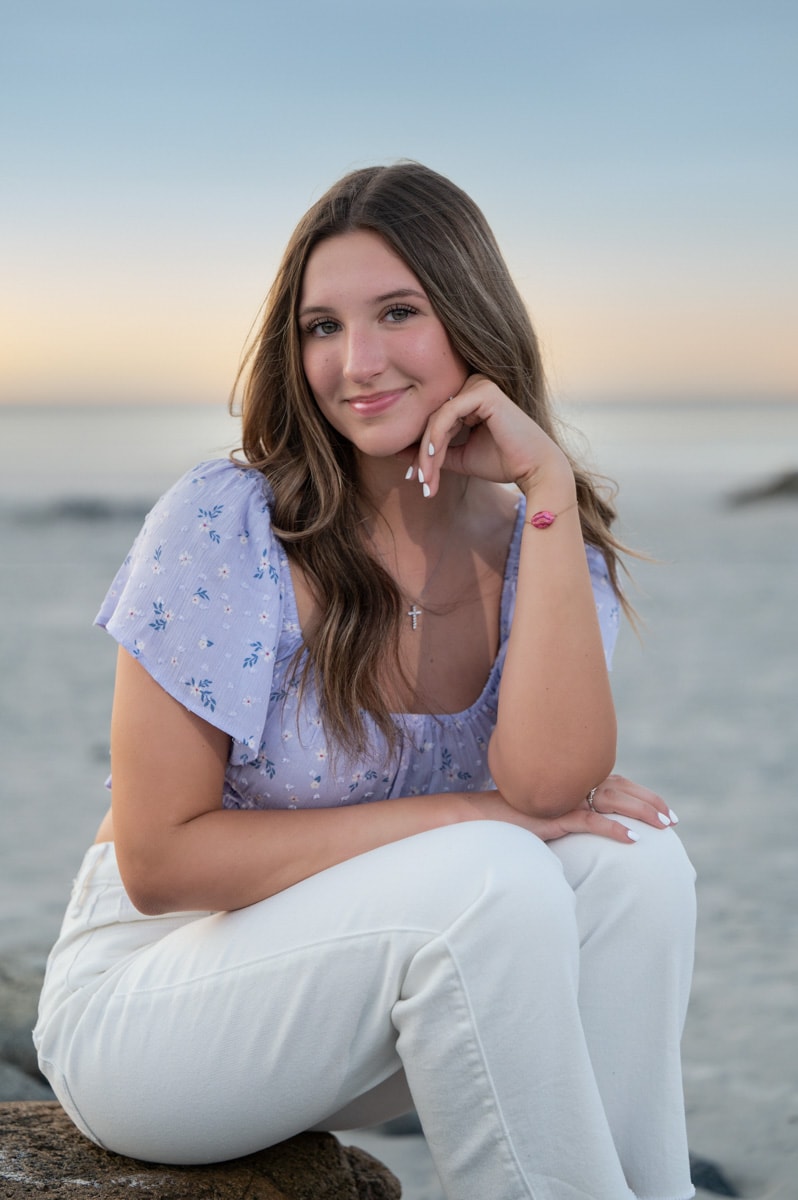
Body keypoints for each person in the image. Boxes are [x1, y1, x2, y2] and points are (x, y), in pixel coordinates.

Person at [34, 162, 696, 1200]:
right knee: (493, 868)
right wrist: (470, 818)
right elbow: (159, 862)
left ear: (474, 320)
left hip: (358, 1011)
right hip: (150, 1010)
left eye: (399, 313)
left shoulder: (546, 548)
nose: (358, 362)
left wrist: (550, 488)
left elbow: (547, 790)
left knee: (637, 865)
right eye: (322, 328)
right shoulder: (228, 524)